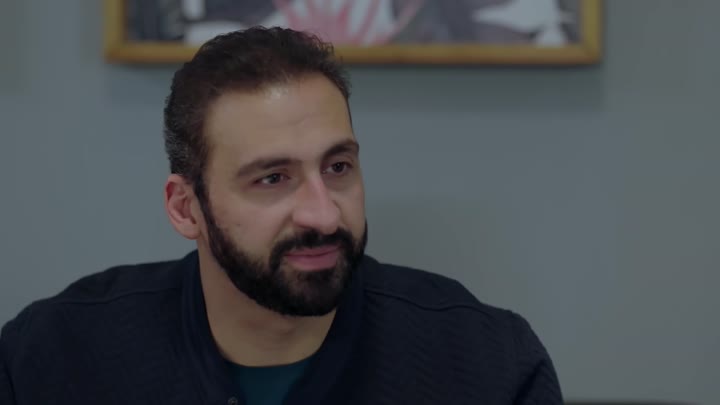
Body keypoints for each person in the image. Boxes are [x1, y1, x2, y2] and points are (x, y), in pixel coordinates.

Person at [0, 27, 562, 404]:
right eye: (272, 178)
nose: (322, 215)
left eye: (338, 168)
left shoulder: (487, 365)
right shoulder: (52, 358)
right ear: (185, 207)